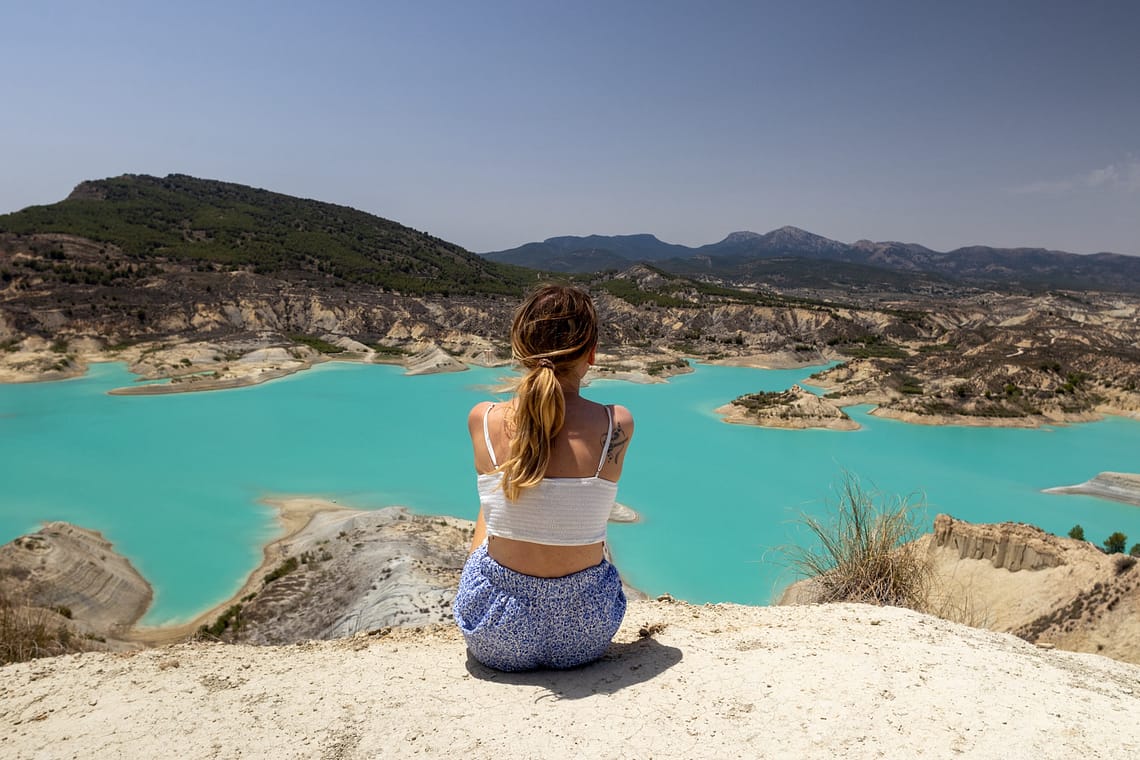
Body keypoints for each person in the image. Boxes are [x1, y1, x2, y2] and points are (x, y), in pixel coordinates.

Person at [452, 284, 634, 671]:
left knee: (495, 500)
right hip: (587, 633)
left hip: (495, 634)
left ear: (519, 348)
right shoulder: (616, 422)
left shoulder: (482, 418)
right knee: (590, 514)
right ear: (592, 352)